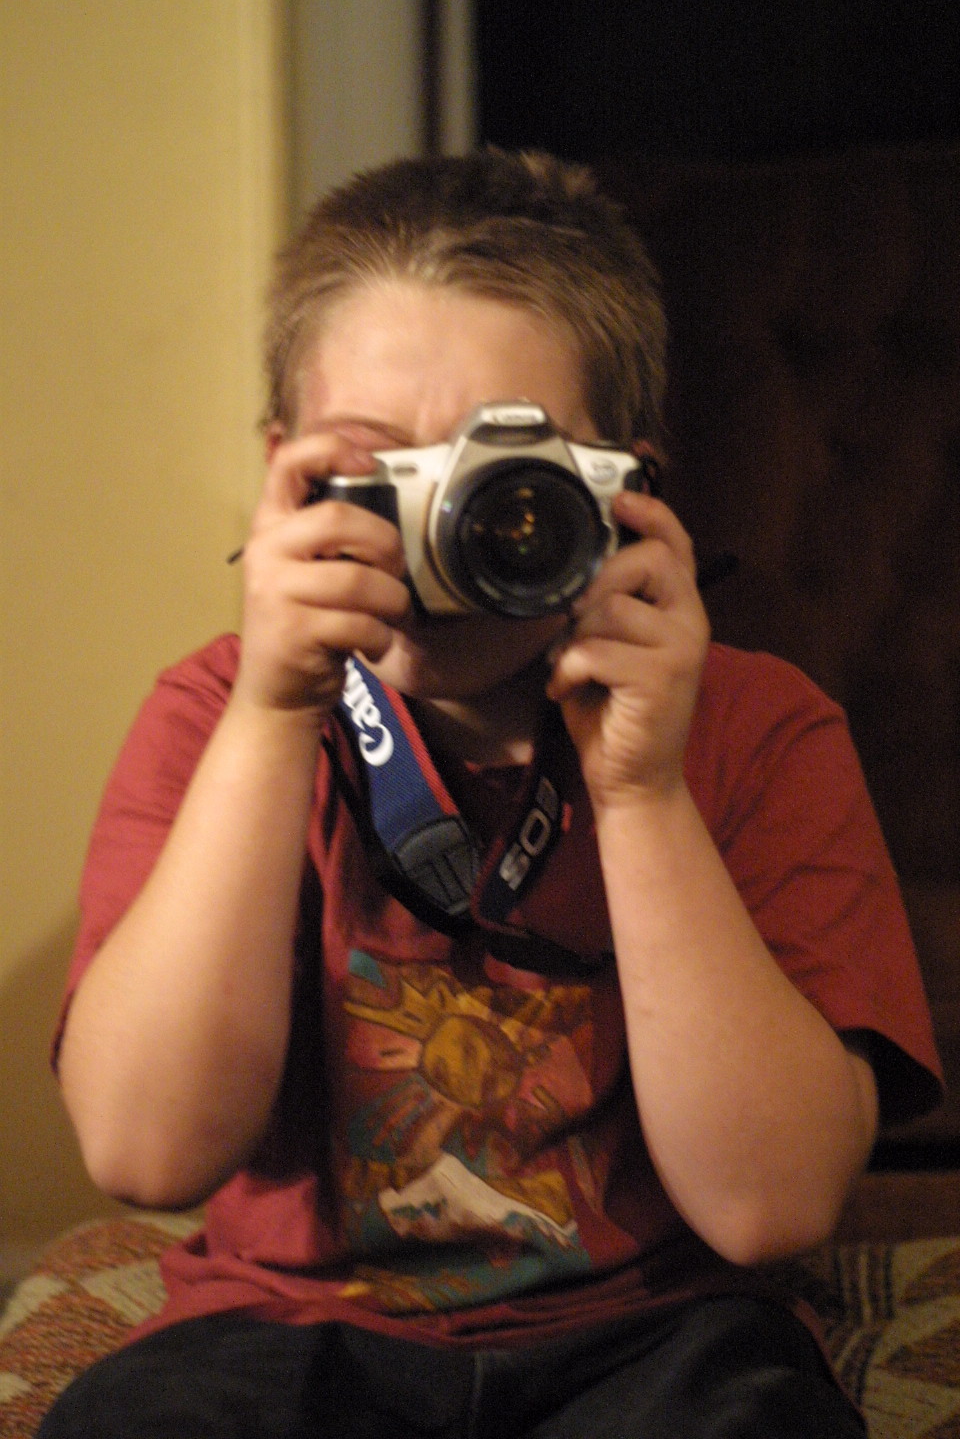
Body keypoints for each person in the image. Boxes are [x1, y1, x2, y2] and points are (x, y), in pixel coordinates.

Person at [41, 149, 941, 1438]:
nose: (444, 533)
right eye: (379, 473)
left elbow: (772, 1208)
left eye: (501, 479)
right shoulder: (217, 721)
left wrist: (642, 793)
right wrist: (274, 718)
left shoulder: (754, 731)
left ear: (624, 494)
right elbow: (148, 1153)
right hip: (286, 1332)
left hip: (656, 1333)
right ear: (284, 477)